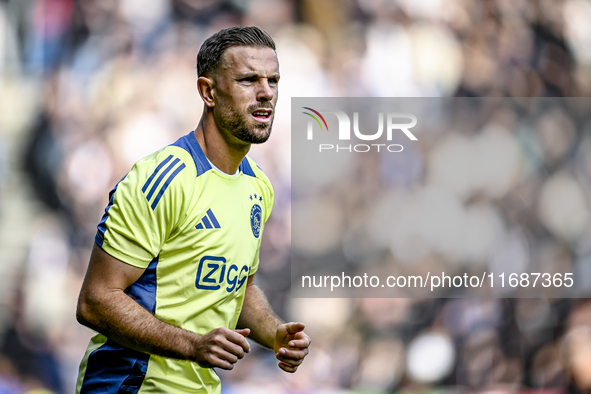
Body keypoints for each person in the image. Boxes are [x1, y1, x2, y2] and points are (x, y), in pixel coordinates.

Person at [75, 26, 310, 393]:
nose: (266, 92)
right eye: (249, 79)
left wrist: (275, 333)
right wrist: (194, 345)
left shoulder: (258, 187)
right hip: (131, 386)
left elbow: (239, 288)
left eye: (273, 80)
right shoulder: (162, 178)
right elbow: (95, 301)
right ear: (208, 91)